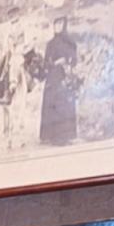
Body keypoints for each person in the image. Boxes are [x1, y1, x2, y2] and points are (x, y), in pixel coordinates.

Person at [40, 13, 80, 147]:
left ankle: (66, 135)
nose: (58, 27)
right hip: (53, 76)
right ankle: (52, 135)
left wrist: (67, 61)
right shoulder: (50, 44)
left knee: (65, 104)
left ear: (64, 25)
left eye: (60, 24)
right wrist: (54, 63)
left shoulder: (70, 42)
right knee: (52, 102)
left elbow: (74, 59)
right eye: (56, 24)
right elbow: (46, 63)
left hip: (65, 76)